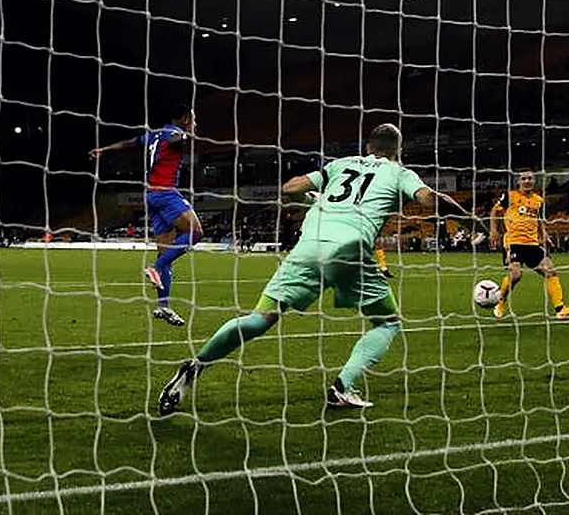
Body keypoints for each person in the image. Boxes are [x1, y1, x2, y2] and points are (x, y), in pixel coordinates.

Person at [157, 124, 470, 414]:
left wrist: (313, 196)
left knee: (259, 319)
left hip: (309, 243)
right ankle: (342, 388)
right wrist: (465, 216)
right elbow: (429, 200)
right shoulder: (400, 172)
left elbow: (290, 187)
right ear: (398, 150)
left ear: (368, 146)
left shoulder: (340, 164)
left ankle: (197, 365)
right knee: (387, 323)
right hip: (349, 248)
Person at [89, 107, 202, 327]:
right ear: (186, 119)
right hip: (165, 193)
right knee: (195, 232)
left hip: (151, 195)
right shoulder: (172, 133)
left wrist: (105, 149)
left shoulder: (153, 135)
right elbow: (176, 138)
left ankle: (163, 305)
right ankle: (155, 266)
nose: (196, 125)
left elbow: (129, 143)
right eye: (194, 121)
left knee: (166, 252)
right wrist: (186, 134)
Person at [489, 170, 569, 320]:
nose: (527, 181)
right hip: (514, 242)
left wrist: (543, 234)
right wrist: (493, 231)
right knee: (516, 275)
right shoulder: (510, 196)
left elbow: (538, 220)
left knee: (550, 271)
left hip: (533, 243)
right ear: (519, 182)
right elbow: (494, 211)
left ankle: (561, 309)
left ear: (534, 181)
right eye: (524, 179)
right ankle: (500, 301)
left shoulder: (539, 200)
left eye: (530, 178)